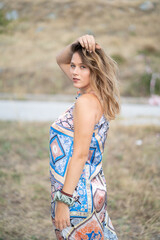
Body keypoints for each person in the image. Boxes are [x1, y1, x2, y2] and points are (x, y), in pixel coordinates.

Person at [49, 34, 121, 240]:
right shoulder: (96, 95)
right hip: (91, 190)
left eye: (83, 67)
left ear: (94, 70)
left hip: (77, 197)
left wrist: (64, 201)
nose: (74, 72)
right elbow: (61, 59)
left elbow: (80, 155)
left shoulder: (85, 103)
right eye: (73, 66)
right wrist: (77, 44)